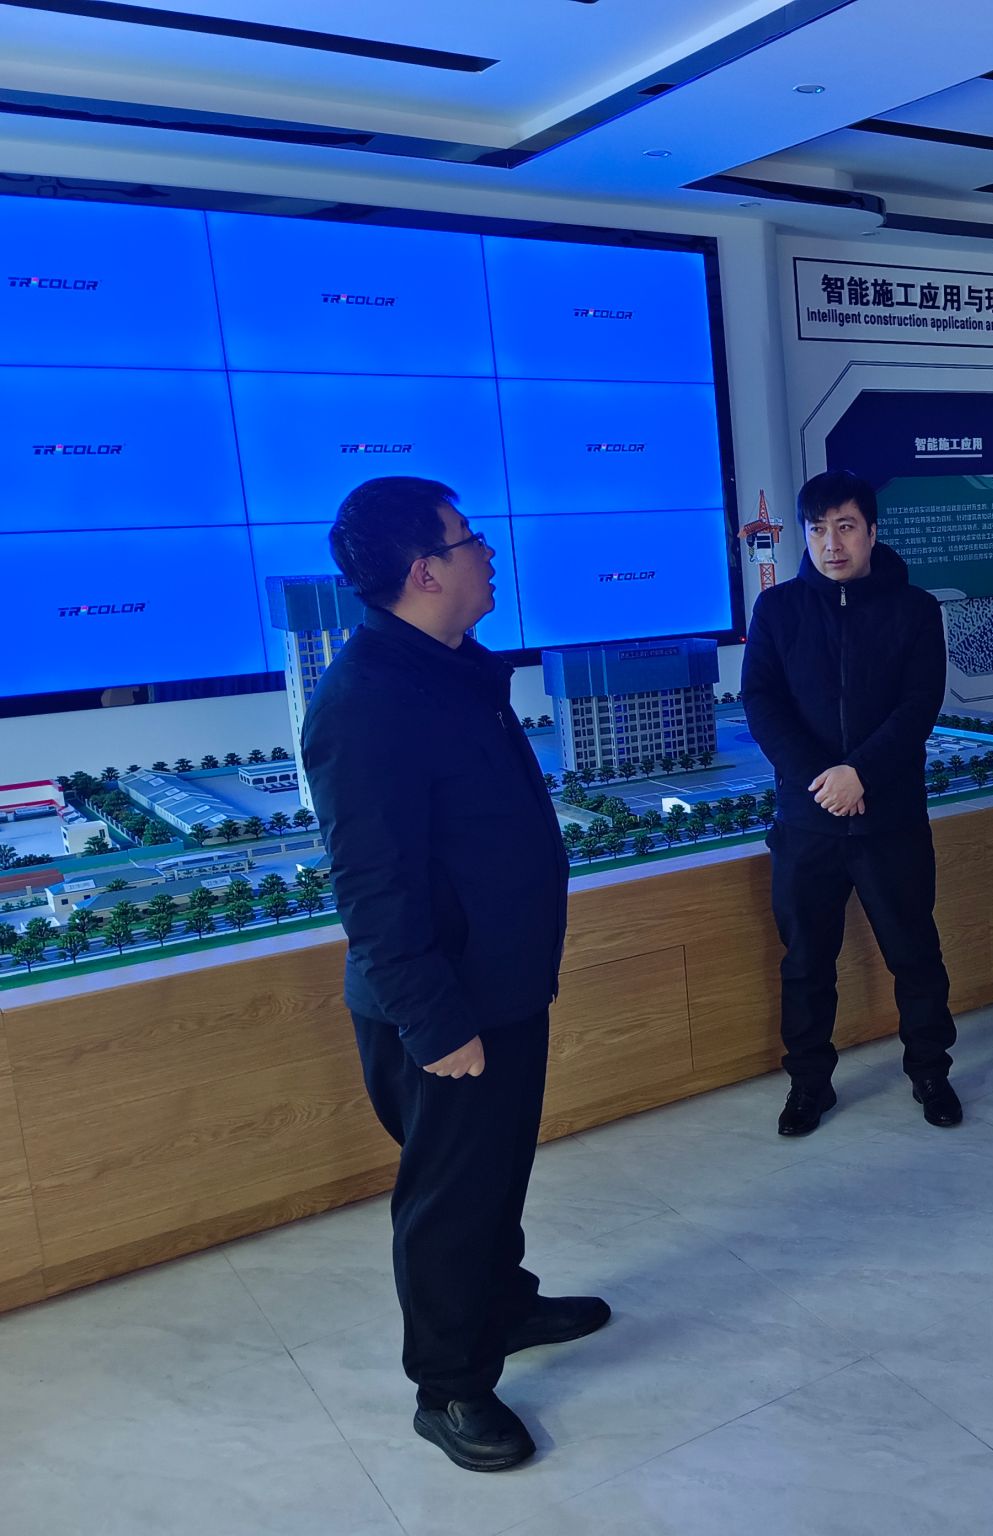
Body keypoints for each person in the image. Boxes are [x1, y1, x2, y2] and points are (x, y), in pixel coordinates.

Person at [301, 476, 607, 1473]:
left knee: (495, 1174)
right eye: (469, 538)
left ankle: (502, 1306)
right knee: (447, 1201)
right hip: (442, 1009)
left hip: (502, 985)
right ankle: (449, 1388)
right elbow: (373, 887)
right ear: (425, 571)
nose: (488, 552)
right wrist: (435, 1024)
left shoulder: (449, 668)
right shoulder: (367, 701)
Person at [741, 469, 959, 1137]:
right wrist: (824, 780)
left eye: (845, 527)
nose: (831, 544)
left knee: (914, 953)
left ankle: (930, 1072)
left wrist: (860, 773)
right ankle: (809, 1084)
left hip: (891, 817)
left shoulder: (914, 610)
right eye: (817, 529)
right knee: (806, 963)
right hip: (807, 823)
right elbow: (763, 704)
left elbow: (918, 706)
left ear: (871, 531)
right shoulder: (777, 611)